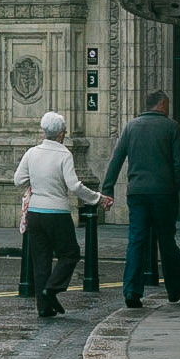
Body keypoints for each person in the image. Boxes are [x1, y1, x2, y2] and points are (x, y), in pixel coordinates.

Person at [13, 112, 111, 317]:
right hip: (57, 213)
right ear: (61, 134)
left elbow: (18, 179)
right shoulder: (64, 154)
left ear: (45, 131)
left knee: (41, 261)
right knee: (70, 253)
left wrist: (34, 186)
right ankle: (52, 288)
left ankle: (43, 307)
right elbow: (74, 185)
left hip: (35, 213)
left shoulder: (32, 153)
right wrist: (98, 199)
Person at [101, 90, 180, 309]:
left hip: (137, 193)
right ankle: (175, 288)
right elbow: (179, 164)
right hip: (163, 194)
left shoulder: (131, 127)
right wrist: (175, 186)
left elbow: (117, 159)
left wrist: (108, 189)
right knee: (167, 240)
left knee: (137, 241)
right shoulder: (172, 127)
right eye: (167, 104)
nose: (168, 108)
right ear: (161, 105)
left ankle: (132, 290)